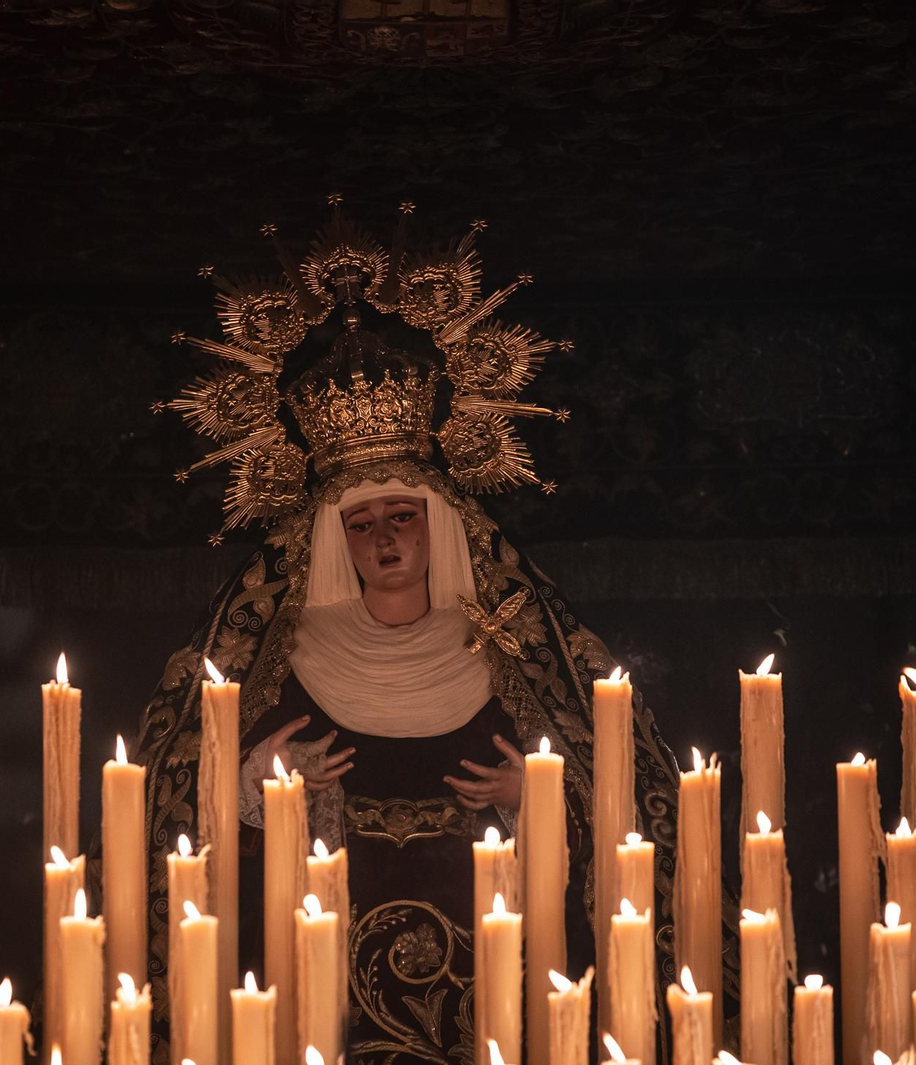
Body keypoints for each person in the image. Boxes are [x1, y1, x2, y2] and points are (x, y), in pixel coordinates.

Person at [135, 206, 704, 1062]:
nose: (388, 538)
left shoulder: (512, 643)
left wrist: (537, 803)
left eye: (405, 514)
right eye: (362, 523)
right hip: (312, 996)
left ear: (441, 521)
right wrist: (254, 787)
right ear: (334, 537)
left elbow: (620, 816)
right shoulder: (274, 654)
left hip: (494, 993)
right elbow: (181, 818)